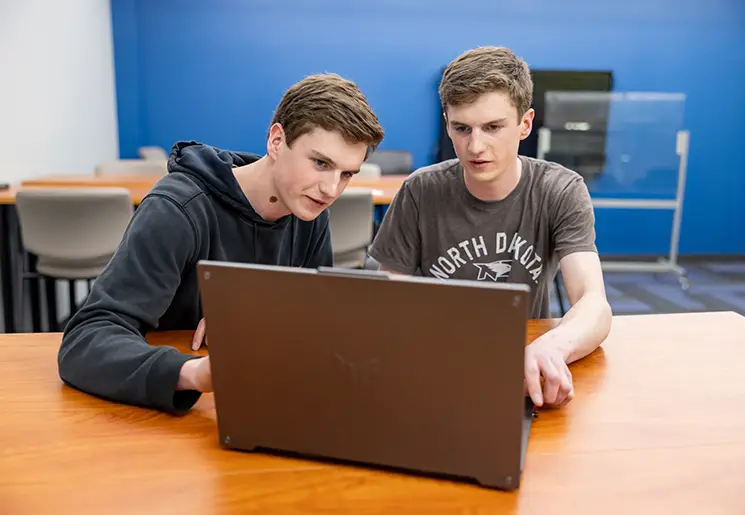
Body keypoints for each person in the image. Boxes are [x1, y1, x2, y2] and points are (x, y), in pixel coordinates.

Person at [59, 73, 385, 415]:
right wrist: (196, 373)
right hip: (158, 417)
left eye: (346, 174)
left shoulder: (310, 213)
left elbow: (312, 319)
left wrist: (256, 316)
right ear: (277, 141)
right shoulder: (177, 209)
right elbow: (85, 341)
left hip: (257, 407)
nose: (331, 190)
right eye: (320, 163)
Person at [368, 46, 612, 408]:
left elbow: (594, 302)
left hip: (520, 366)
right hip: (435, 365)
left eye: (493, 127)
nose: (475, 146)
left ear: (525, 124)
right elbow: (388, 300)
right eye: (461, 128)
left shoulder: (559, 189)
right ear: (447, 123)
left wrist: (553, 345)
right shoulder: (420, 190)